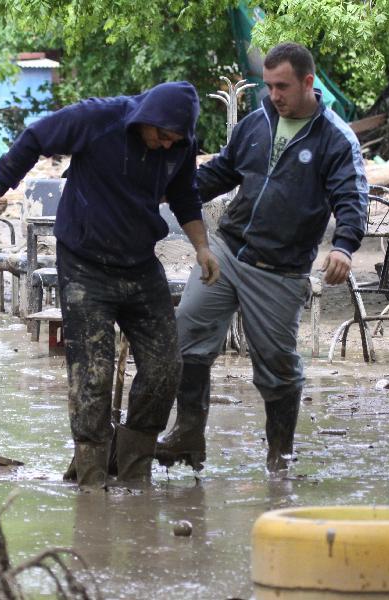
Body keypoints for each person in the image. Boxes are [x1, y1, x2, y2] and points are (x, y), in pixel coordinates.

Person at [0, 82, 220, 489]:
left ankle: (133, 466)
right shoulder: (98, 118)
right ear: (147, 120)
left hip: (140, 264)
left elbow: (185, 196)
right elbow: (36, 136)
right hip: (85, 265)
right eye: (161, 136)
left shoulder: (178, 145)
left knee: (165, 368)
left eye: (174, 140)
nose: (164, 146)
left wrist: (202, 248)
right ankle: (90, 475)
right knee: (93, 374)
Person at [155, 43, 368, 473]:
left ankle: (280, 454)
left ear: (309, 82)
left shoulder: (335, 139)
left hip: (280, 270)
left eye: (283, 86)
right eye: (269, 86)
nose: (274, 95)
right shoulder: (255, 124)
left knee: (277, 364)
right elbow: (220, 173)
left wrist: (344, 245)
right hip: (227, 252)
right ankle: (188, 435)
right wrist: (164, 191)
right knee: (187, 333)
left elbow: (352, 198)